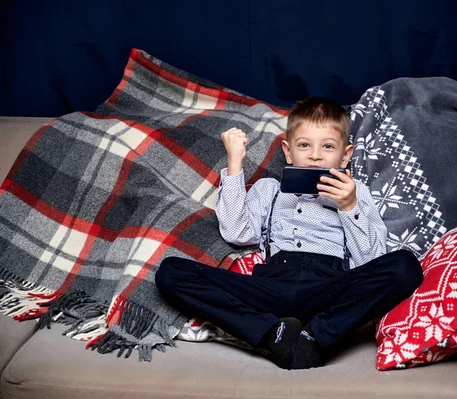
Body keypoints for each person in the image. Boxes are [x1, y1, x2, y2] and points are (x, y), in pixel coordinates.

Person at [155, 97, 423, 369]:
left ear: (345, 155)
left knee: (405, 267)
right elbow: (236, 232)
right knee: (170, 272)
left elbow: (371, 260)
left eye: (328, 147)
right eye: (304, 145)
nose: (315, 155)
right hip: (271, 287)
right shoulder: (268, 189)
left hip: (326, 289)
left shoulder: (357, 193)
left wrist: (348, 205)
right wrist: (235, 164)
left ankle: (314, 337)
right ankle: (273, 334)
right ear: (288, 151)